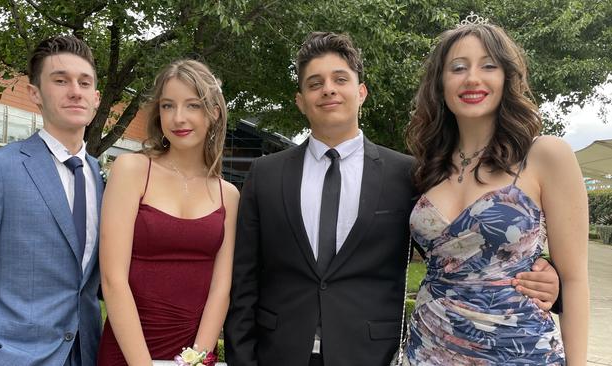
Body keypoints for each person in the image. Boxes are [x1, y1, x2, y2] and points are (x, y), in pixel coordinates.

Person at [224, 31, 560, 366]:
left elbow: (455, 246)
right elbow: (244, 279)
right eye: (315, 83)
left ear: (361, 92)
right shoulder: (264, 175)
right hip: (278, 353)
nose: (328, 89)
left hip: (370, 355)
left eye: (340, 79)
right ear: (300, 100)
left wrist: (547, 275)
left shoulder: (410, 174)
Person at [404, 16, 589, 365]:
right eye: (458, 67)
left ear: (506, 78)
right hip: (427, 349)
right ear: (440, 84)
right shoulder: (426, 168)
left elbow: (576, 280)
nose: (472, 77)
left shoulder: (545, 155)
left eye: (488, 66)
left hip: (518, 351)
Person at [0, 36, 103, 365]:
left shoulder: (98, 175)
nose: (75, 91)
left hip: (89, 355)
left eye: (84, 82)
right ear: (35, 93)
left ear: (96, 98)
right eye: (60, 80)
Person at [97, 59, 239, 365]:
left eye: (192, 105)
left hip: (192, 353)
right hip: (127, 350)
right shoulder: (131, 170)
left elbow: (221, 287)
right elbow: (112, 278)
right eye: (167, 106)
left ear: (214, 113)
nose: (178, 118)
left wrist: (196, 359)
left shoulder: (229, 196)